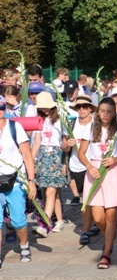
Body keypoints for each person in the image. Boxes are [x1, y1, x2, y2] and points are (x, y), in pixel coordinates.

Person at [78, 97, 117, 269]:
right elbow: (82, 153)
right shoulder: (90, 128)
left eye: (109, 111)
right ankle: (109, 234)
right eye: (102, 111)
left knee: (111, 214)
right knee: (97, 216)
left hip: (113, 172)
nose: (105, 115)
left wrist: (114, 160)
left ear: (114, 113)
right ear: (97, 112)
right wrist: (89, 166)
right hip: (94, 170)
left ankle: (106, 253)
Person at [0, 98, 38, 266]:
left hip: (15, 180)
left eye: (1, 107)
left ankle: (24, 245)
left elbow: (28, 156)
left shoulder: (15, 127)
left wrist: (31, 181)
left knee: (18, 221)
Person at [31, 92, 71, 237]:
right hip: (42, 156)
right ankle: (57, 220)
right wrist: (31, 161)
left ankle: (44, 223)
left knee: (51, 192)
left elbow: (65, 143)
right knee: (50, 193)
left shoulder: (61, 119)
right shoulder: (38, 120)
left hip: (56, 156)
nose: (45, 110)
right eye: (42, 108)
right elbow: (36, 143)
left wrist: (64, 161)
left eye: (47, 107)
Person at [65, 95, 98, 245]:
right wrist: (68, 144)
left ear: (90, 108)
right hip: (76, 166)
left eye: (85, 106)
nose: (82, 109)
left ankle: (86, 230)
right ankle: (94, 223)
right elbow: (64, 148)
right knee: (85, 200)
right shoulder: (71, 124)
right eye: (79, 107)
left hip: (93, 167)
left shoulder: (96, 124)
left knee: (88, 200)